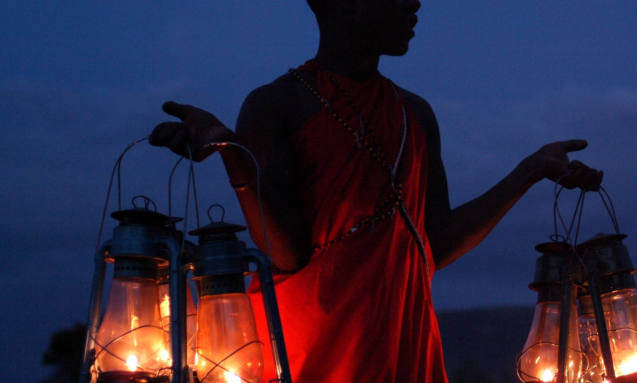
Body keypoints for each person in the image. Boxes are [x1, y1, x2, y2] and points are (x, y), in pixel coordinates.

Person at [150, 1, 603, 381]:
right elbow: (286, 254)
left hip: (406, 350)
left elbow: (434, 245)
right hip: (314, 356)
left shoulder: (414, 114)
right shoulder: (278, 104)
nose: (414, 3)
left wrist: (529, 171)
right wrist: (234, 153)